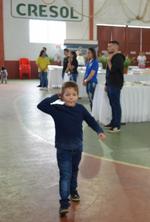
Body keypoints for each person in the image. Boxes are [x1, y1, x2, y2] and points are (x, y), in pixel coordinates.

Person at [37, 81, 106, 215]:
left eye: (74, 95)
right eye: (67, 95)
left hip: (77, 148)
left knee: (74, 172)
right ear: (62, 96)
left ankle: (73, 191)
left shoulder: (80, 109)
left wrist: (99, 130)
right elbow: (41, 105)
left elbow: (91, 121)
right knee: (65, 175)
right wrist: (55, 97)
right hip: (63, 149)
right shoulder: (57, 110)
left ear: (77, 96)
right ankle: (64, 202)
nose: (70, 97)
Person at [104, 41, 125, 133]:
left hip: (115, 84)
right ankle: (113, 122)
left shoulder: (118, 58)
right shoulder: (112, 57)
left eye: (109, 46)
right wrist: (106, 83)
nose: (107, 48)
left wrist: (109, 60)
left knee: (116, 104)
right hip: (110, 84)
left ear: (115, 48)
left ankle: (117, 126)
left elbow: (112, 70)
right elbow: (108, 72)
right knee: (112, 104)